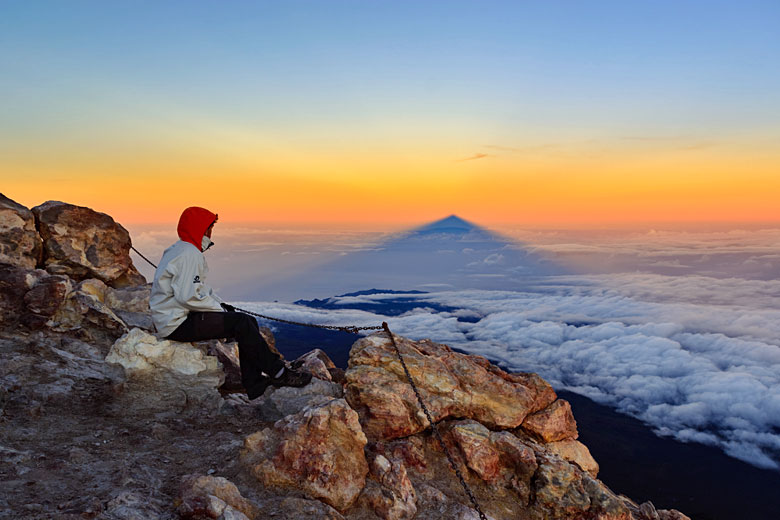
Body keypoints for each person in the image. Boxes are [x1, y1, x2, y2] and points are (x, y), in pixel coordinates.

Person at [149, 206, 311, 399]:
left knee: (247, 321)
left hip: (174, 317)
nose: (210, 232)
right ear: (200, 229)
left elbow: (197, 290)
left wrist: (221, 306)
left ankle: (256, 384)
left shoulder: (180, 249)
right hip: (176, 324)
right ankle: (279, 374)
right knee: (241, 323)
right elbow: (188, 296)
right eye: (209, 228)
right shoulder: (189, 254)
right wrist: (220, 310)